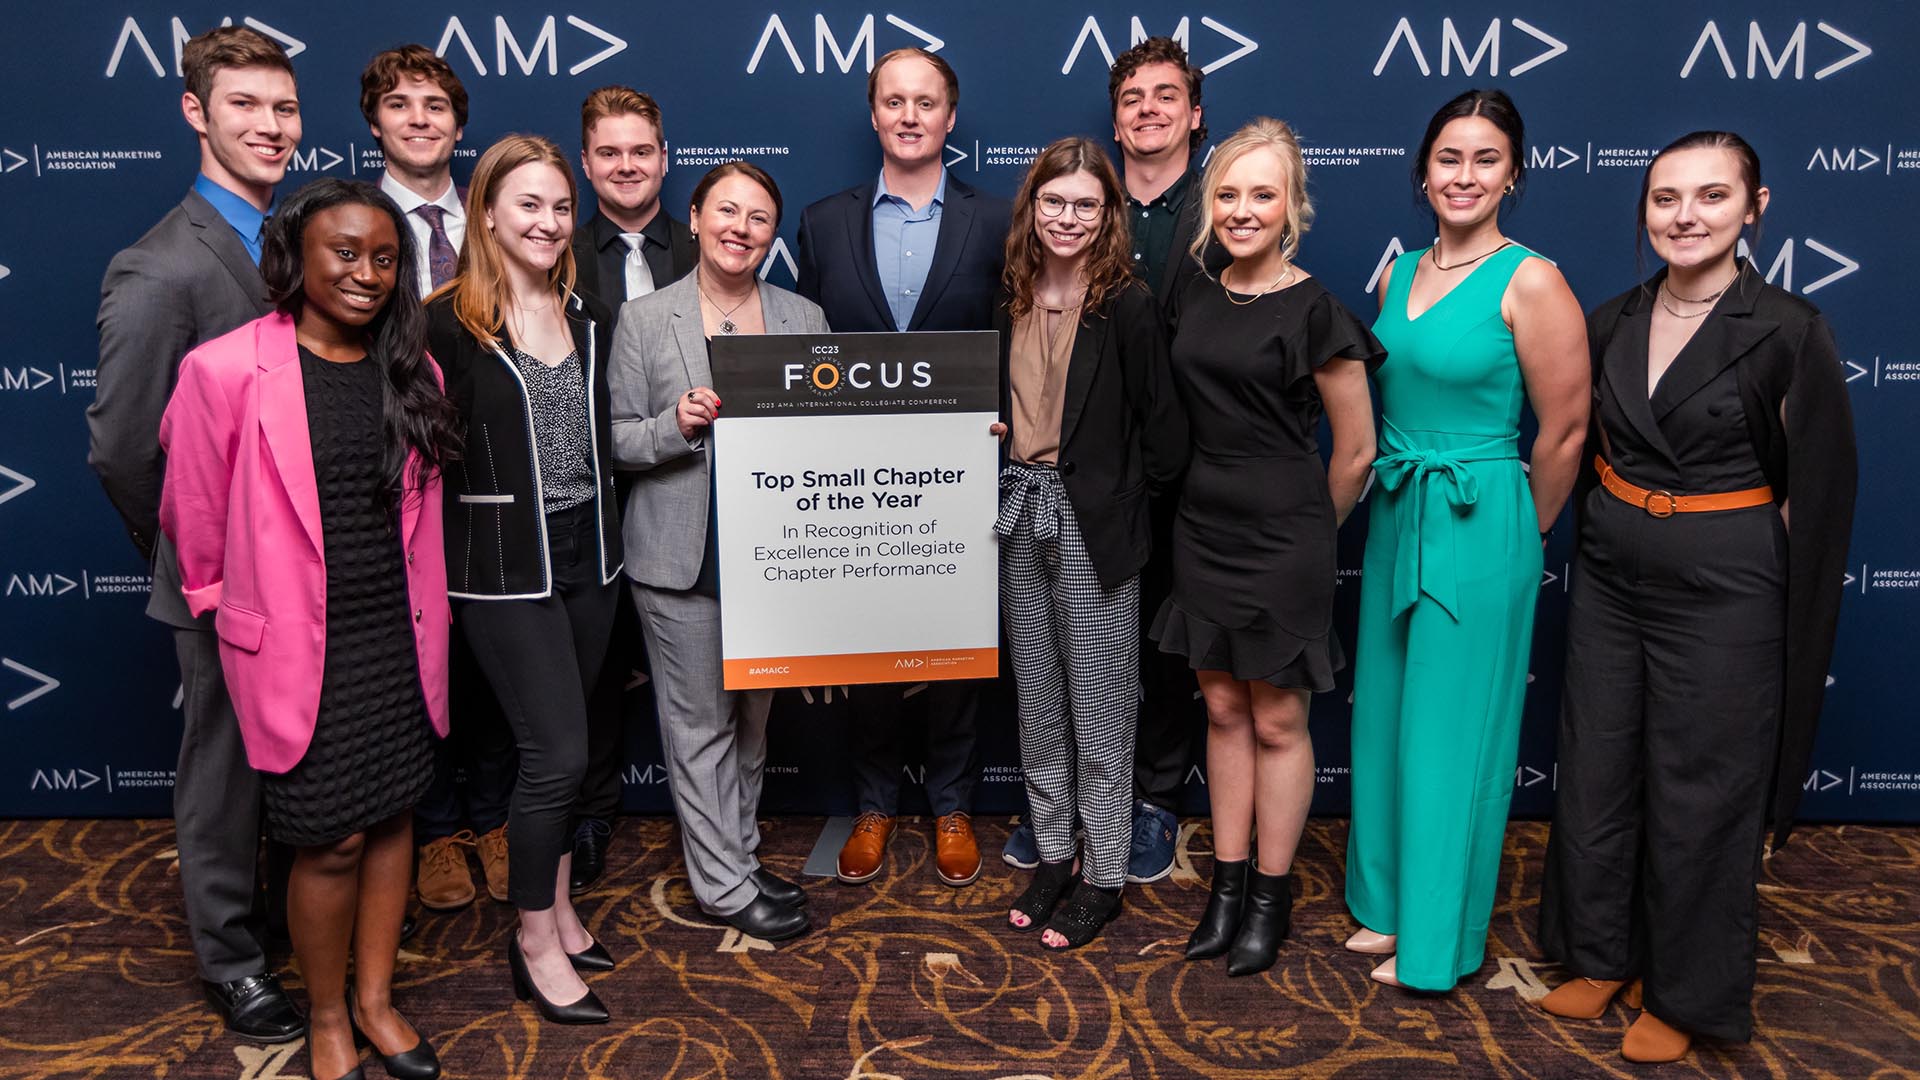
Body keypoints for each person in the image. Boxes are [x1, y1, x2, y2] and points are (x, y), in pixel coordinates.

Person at [1537, 131, 1857, 1062]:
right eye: (1667, 198)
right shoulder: (1611, 319)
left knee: (1700, 789)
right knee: (1596, 766)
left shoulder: (1791, 329)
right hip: (1611, 571)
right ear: (1644, 210)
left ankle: (1686, 992)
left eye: (1712, 198)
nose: (1685, 216)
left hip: (1727, 587)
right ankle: (1598, 954)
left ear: (1754, 210)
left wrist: (1770, 602)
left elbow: (1818, 492)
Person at [159, 178, 460, 1080]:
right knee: (327, 837)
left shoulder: (413, 367)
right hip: (298, 649)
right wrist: (229, 620)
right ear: (295, 257)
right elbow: (194, 520)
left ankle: (375, 999)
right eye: (345, 252)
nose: (367, 273)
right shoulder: (223, 370)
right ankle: (328, 1014)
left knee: (395, 811)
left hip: (398, 636)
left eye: (384, 257)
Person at [87, 24, 306, 1044]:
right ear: (196, 111)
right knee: (222, 767)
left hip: (310, 562)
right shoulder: (158, 268)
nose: (270, 126)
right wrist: (194, 561)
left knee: (297, 756)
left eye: (284, 108)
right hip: (226, 579)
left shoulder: (296, 239)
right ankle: (233, 960)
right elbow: (126, 451)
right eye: (247, 106)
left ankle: (280, 924)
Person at [1343, 88, 1589, 992]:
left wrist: (1522, 538)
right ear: (1425, 169)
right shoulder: (1397, 273)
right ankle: (1388, 906)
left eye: (1486, 160)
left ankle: (1438, 941)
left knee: (1453, 736)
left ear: (1513, 174)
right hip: (1399, 505)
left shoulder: (1532, 279)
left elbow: (1563, 433)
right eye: (1450, 158)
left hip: (1479, 517)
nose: (1464, 175)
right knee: (1388, 719)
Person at [1154, 118, 1382, 977]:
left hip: (1286, 536)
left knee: (1280, 719)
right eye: (1227, 194)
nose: (1242, 210)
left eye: (1262, 194)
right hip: (1201, 529)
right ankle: (1226, 883)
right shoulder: (1195, 288)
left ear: (1292, 207)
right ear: (1208, 206)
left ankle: (1270, 899)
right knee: (1221, 709)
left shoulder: (1317, 309)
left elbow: (1356, 450)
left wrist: (1305, 532)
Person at [795, 46, 1012, 890]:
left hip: (964, 471)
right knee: (874, 644)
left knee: (958, 642)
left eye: (927, 102)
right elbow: (810, 347)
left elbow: (1012, 337)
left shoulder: (994, 221)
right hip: (857, 477)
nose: (911, 115)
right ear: (875, 115)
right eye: (895, 101)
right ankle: (877, 802)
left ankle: (953, 804)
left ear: (950, 119)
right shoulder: (822, 221)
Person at [424, 134, 622, 1025]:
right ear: (489, 212)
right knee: (556, 756)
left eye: (558, 206)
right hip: (503, 570)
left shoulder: (589, 312)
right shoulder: (441, 324)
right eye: (528, 205)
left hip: (590, 556)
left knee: (573, 751)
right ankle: (533, 942)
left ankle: (564, 911)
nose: (546, 222)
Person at [608, 160, 827, 943]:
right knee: (699, 724)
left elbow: (835, 436)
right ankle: (724, 889)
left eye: (759, 218)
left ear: (773, 234)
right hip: (681, 555)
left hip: (773, 555)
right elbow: (620, 441)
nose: (740, 228)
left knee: (752, 721)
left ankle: (736, 852)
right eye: (725, 212)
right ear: (694, 219)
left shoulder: (803, 317)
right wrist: (676, 423)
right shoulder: (645, 319)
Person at [992, 137, 1187, 949]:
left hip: (1094, 524)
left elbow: (1167, 438)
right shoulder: (1005, 294)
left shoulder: (1128, 303)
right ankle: (1054, 854)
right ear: (1031, 208)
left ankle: (1105, 874)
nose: (1067, 218)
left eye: (1085, 205)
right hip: (1014, 509)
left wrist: (1114, 498)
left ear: (1107, 215)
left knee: (1101, 712)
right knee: (1037, 705)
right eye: (1054, 202)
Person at [358, 41, 514, 916]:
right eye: (401, 106)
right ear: (375, 121)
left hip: (490, 469)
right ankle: (439, 825)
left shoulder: (496, 219)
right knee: (414, 657)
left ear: (460, 124)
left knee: (491, 652)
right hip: (393, 476)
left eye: (436, 107)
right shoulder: (350, 222)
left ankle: (494, 815)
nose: (420, 121)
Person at [566, 85, 698, 894]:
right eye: (608, 153)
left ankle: (716, 825)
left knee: (701, 679)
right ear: (585, 163)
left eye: (640, 151)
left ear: (664, 157)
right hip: (586, 495)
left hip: (690, 491)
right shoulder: (554, 250)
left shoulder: (707, 245)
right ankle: (589, 818)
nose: (626, 166)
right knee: (591, 673)